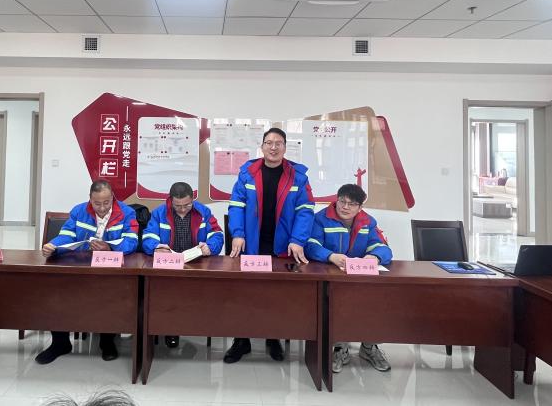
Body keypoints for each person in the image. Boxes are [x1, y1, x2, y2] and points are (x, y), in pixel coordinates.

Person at [224, 127, 315, 363]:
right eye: (269, 143)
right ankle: (241, 341)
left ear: (285, 147)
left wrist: (298, 240)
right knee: (244, 294)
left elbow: (305, 211)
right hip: (252, 244)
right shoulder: (248, 173)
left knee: (276, 294)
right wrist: (238, 234)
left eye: (278, 143)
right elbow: (236, 206)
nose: (273, 147)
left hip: (281, 246)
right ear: (262, 146)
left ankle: (273, 337)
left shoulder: (298, 177)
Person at [38, 180, 139, 364]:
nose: (102, 207)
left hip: (110, 268)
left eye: (106, 202)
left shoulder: (127, 213)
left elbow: (132, 242)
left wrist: (109, 247)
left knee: (111, 293)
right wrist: (53, 245)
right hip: (80, 265)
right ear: (90, 199)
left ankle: (107, 341)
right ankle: (60, 343)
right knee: (55, 290)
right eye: (97, 203)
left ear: (112, 198)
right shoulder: (79, 211)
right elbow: (67, 235)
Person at [305, 183, 393, 373]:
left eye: (352, 204)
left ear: (360, 207)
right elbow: (311, 245)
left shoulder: (368, 222)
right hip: (331, 278)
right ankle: (339, 347)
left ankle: (369, 347)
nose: (345, 207)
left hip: (359, 280)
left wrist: (375, 256)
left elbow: (383, 247)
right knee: (337, 303)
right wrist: (330, 256)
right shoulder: (321, 218)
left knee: (379, 301)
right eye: (342, 202)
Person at [142, 181, 224, 348]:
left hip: (195, 263)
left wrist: (210, 247)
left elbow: (217, 234)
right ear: (170, 200)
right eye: (178, 206)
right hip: (169, 264)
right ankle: (171, 329)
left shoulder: (203, 211)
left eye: (186, 205)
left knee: (195, 292)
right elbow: (148, 237)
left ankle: (191, 324)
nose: (182, 209)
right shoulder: (159, 213)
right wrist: (156, 248)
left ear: (192, 199)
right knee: (166, 293)